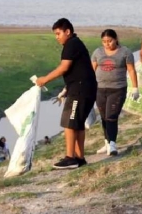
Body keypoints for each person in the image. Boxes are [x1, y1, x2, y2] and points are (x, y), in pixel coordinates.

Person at [36, 18, 97, 170]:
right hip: (83, 87)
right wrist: (66, 89)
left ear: (67, 31)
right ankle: (80, 158)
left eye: (58, 34)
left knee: (69, 122)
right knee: (77, 124)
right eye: (55, 34)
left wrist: (45, 79)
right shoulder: (75, 43)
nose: (57, 37)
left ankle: (70, 158)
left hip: (80, 89)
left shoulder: (71, 44)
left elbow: (64, 67)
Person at [91, 29, 138, 156]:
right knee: (104, 117)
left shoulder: (125, 52)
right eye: (104, 41)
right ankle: (106, 142)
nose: (107, 44)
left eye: (110, 41)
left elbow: (131, 70)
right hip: (100, 89)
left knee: (111, 116)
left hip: (117, 89)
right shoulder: (98, 52)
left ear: (116, 39)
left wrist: (135, 88)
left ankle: (112, 144)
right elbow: (91, 70)